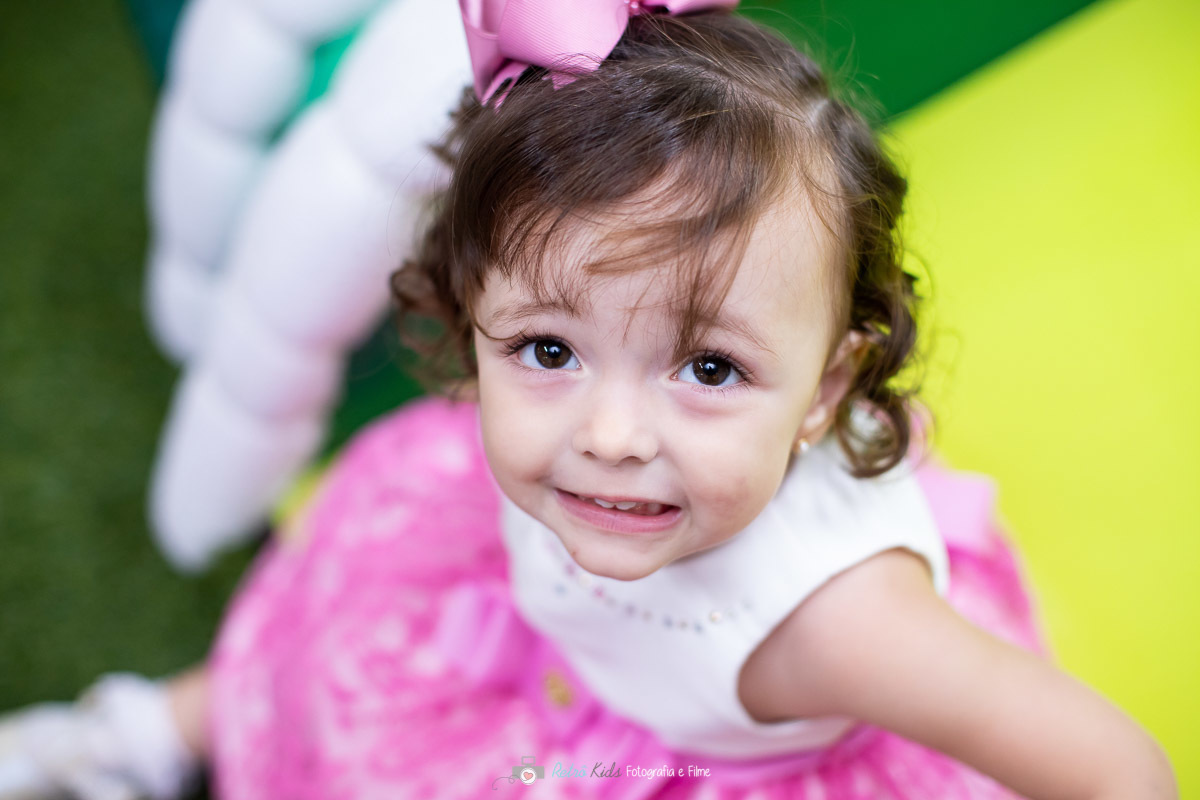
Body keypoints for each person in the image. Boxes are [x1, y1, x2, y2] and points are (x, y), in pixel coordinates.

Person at [0, 3, 1177, 799]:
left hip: (693, 746)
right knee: (343, 641)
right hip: (555, 639)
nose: (607, 436)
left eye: (708, 367)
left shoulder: (843, 623)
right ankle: (151, 730)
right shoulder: (591, 467)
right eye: (549, 348)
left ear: (825, 387)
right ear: (476, 314)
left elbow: (1117, 768)